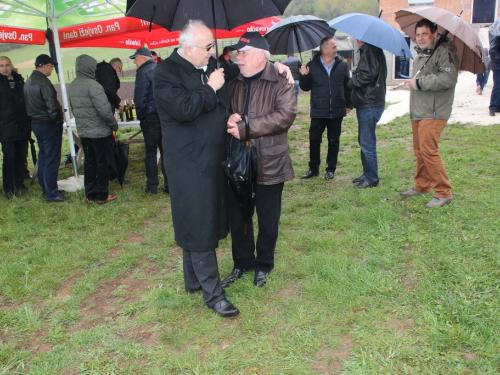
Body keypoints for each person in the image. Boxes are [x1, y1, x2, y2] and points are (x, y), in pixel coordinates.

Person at [153, 20, 241, 318]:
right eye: (207, 47)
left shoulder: (210, 63)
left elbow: (235, 70)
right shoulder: (165, 73)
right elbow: (185, 109)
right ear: (188, 49)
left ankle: (192, 280)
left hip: (213, 157)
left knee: (205, 216)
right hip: (188, 162)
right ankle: (213, 295)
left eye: (213, 46)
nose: (212, 52)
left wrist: (277, 68)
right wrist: (211, 87)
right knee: (199, 221)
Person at [221, 32, 296, 289]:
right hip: (238, 161)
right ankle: (242, 262)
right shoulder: (232, 79)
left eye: (243, 53)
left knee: (267, 216)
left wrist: (246, 128)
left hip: (269, 160)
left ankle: (264, 264)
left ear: (261, 56)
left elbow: (284, 116)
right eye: (237, 53)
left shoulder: (280, 78)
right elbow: (221, 109)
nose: (237, 57)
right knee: (239, 215)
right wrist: (229, 118)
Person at [401, 18, 458, 208]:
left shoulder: (444, 52)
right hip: (419, 110)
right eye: (417, 34)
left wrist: (418, 83)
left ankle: (443, 192)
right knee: (419, 151)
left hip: (434, 111)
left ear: (434, 33)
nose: (420, 37)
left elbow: (448, 78)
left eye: (425, 33)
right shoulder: (423, 54)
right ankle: (422, 186)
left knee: (429, 151)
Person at [299, 37, 352, 180]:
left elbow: (347, 85)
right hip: (318, 110)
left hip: (336, 109)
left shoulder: (342, 65)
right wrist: (303, 75)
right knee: (314, 140)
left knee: (334, 140)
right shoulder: (312, 65)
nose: (337, 50)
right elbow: (305, 87)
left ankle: (331, 169)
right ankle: (313, 168)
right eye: (334, 47)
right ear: (325, 49)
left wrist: (349, 104)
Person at [69, 54, 118, 205]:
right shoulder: (93, 85)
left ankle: (90, 195)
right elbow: (104, 110)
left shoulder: (72, 85)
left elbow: (73, 108)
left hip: (84, 131)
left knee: (89, 162)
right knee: (101, 162)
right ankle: (102, 195)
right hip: (99, 131)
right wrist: (113, 124)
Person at [24, 54, 69, 203]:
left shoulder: (28, 82)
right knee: (51, 159)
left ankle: (46, 188)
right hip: (48, 124)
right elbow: (52, 106)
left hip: (36, 123)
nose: (51, 69)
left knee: (43, 156)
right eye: (51, 66)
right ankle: (52, 193)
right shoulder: (44, 83)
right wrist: (58, 121)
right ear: (45, 66)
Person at [347, 40, 387, 188]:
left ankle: (371, 178)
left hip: (370, 102)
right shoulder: (372, 49)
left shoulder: (370, 49)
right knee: (365, 141)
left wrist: (351, 81)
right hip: (370, 101)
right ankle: (368, 173)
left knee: (367, 143)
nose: (356, 40)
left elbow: (367, 75)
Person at [131, 47, 168, 194]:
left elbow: (139, 99)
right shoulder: (159, 70)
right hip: (163, 117)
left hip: (150, 117)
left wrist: (141, 117)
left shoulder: (142, 72)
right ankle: (169, 185)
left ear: (143, 58)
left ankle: (152, 186)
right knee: (165, 152)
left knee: (151, 152)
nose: (134, 61)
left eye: (135, 58)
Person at [0, 56, 31, 199]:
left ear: (12, 66)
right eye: (1, 66)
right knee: (9, 157)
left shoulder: (19, 81)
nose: (5, 68)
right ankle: (8, 188)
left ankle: (20, 184)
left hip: (21, 125)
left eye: (7, 65)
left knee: (20, 156)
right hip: (5, 127)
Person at [489, 25, 500, 116]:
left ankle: (498, 106)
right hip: (497, 66)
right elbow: (492, 51)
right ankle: (492, 107)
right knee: (497, 86)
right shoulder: (497, 39)